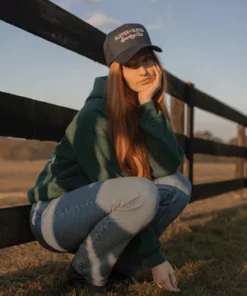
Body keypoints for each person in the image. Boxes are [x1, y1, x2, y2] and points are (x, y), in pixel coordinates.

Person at [28, 23, 192, 293]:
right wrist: (157, 258)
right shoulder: (95, 115)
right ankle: (83, 272)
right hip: (55, 214)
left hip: (103, 205)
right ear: (117, 71)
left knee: (178, 185)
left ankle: (120, 271)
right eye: (131, 64)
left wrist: (148, 107)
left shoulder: (143, 105)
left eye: (147, 59)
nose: (143, 71)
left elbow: (167, 166)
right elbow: (112, 182)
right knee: (142, 192)